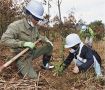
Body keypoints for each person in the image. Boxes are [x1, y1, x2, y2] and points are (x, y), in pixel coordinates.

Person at [1, 0, 54, 79]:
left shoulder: (34, 27)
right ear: (29, 15)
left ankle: (45, 64)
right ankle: (19, 66)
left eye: (38, 19)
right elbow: (4, 40)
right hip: (21, 56)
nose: (37, 21)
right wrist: (23, 44)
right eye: (36, 18)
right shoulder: (16, 26)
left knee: (49, 46)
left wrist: (46, 40)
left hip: (31, 52)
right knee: (34, 78)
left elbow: (38, 36)